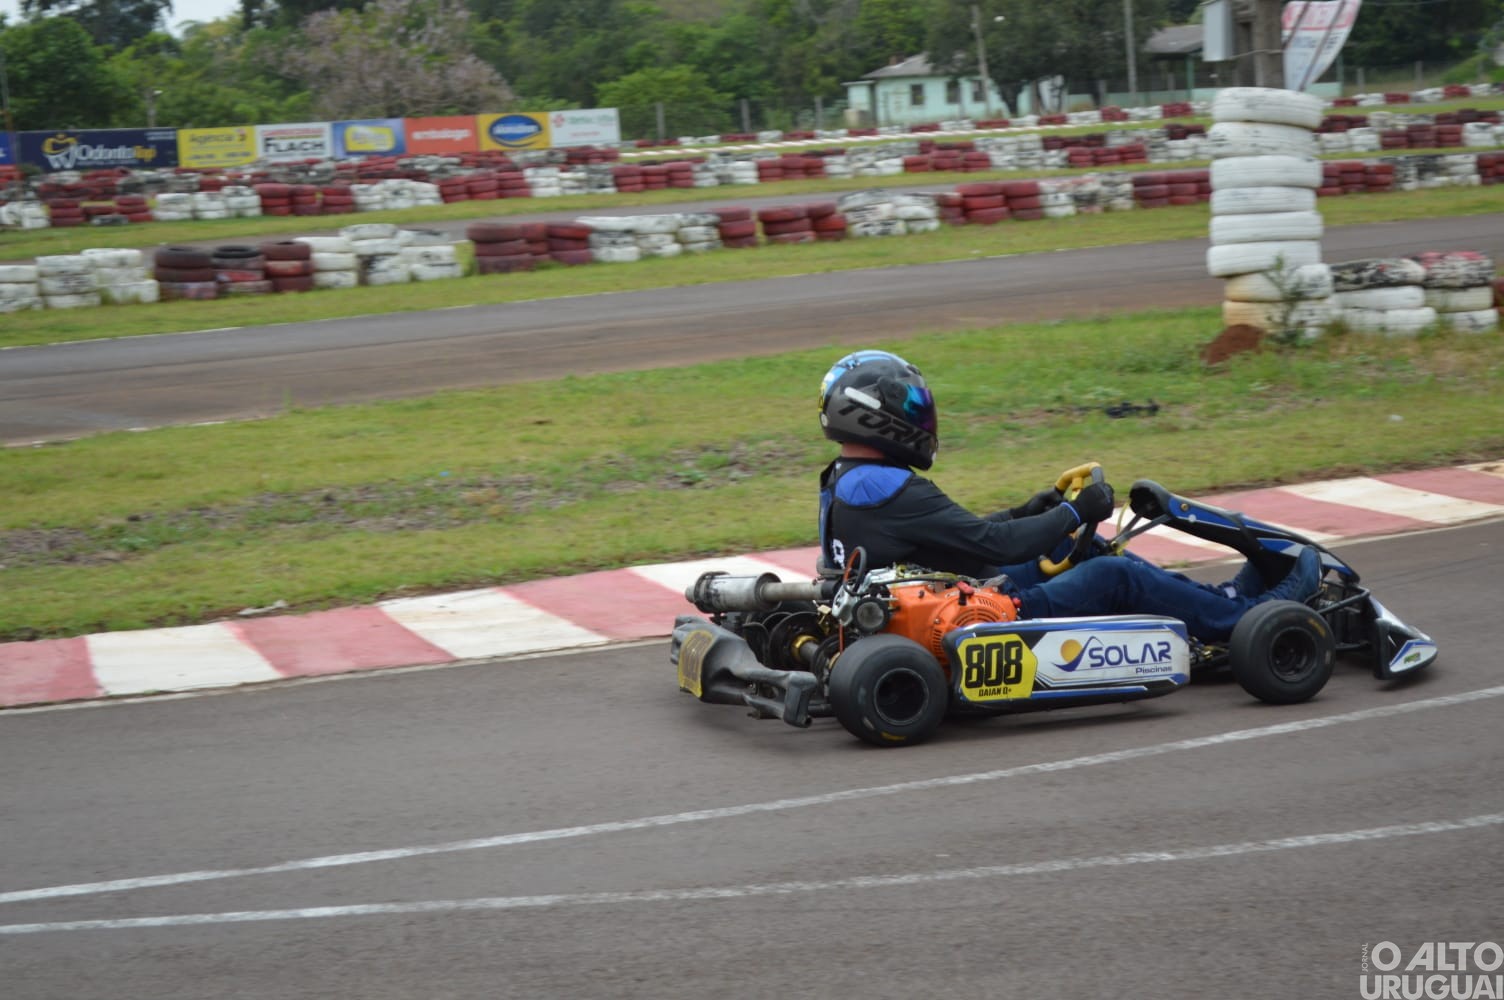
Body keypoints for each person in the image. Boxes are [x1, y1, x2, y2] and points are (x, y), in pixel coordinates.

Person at [816, 349, 1321, 642]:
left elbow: (953, 540)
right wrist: (1077, 510)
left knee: (1068, 549)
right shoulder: (889, 486)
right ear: (874, 414)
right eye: (910, 406)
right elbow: (995, 546)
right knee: (1113, 572)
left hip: (919, 600)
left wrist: (1029, 513)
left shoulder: (846, 478)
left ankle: (1219, 599)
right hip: (966, 618)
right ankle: (1241, 622)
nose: (919, 416)